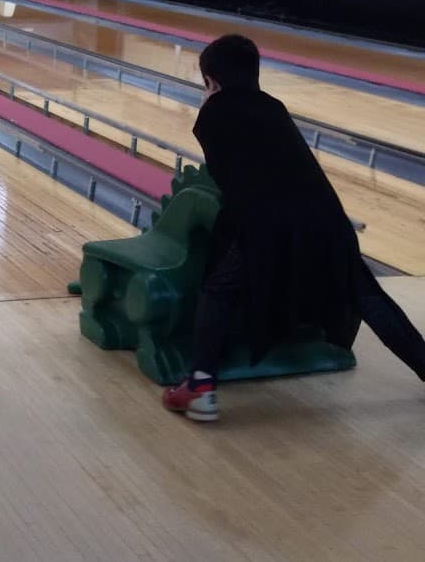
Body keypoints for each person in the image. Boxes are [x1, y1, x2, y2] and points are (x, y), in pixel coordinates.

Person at [163, 34, 425, 422]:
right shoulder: (275, 107)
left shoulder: (214, 114)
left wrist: (210, 103)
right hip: (327, 220)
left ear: (212, 81)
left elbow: (229, 181)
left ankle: (200, 387)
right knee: (368, 297)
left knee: (217, 290)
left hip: (266, 226)